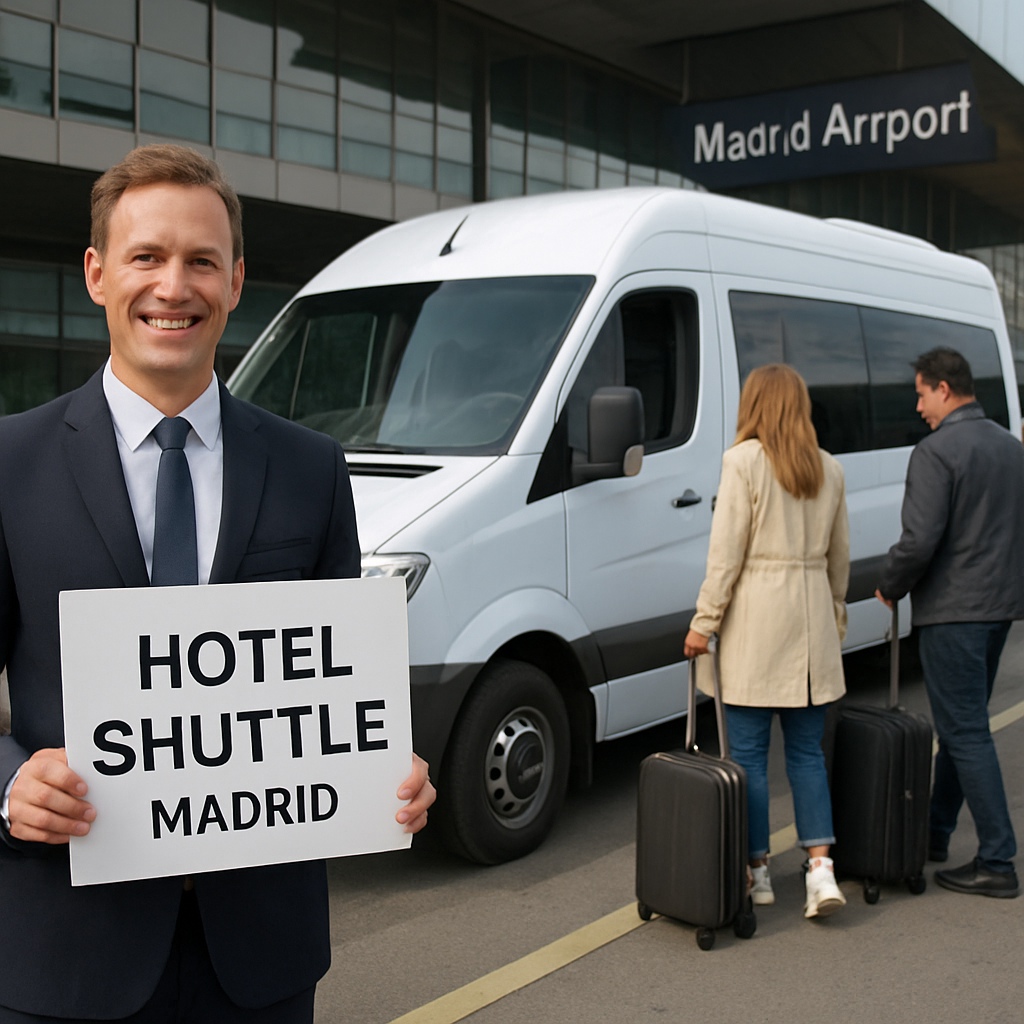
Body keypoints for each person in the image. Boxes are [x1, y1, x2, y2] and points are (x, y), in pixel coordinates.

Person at [0, 144, 436, 1022]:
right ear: (96, 274)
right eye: (147, 257)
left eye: (202, 261)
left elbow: (331, 681)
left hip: (259, 957)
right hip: (68, 954)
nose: (175, 286)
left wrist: (387, 771)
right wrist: (7, 783)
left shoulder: (312, 468)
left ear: (236, 282)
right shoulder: (9, 462)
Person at [684, 364, 849, 919]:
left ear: (754, 404)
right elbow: (838, 564)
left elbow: (725, 554)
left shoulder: (743, 462)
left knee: (749, 758)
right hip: (811, 634)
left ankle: (758, 873)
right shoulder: (828, 469)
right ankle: (821, 870)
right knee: (807, 754)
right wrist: (834, 624)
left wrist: (703, 623)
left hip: (756, 630)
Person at [876, 347, 1022, 899]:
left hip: (954, 610)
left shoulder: (936, 452)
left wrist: (890, 585)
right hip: (999, 608)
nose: (918, 407)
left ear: (943, 388)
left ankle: (997, 860)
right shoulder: (1010, 448)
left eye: (920, 393)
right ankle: (935, 833)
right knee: (969, 727)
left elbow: (919, 540)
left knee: (964, 732)